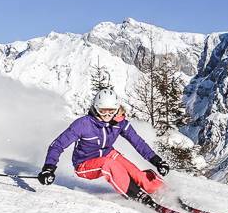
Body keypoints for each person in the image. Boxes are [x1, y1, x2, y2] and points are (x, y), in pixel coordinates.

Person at [37, 86, 170, 206]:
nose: (107, 115)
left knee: (134, 172)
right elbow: (58, 145)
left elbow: (138, 142)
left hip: (108, 153)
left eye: (111, 111)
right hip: (84, 163)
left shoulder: (120, 123)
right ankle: (137, 195)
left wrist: (157, 161)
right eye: (102, 111)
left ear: (117, 109)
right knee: (109, 165)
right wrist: (49, 168)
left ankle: (160, 189)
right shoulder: (83, 124)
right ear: (95, 108)